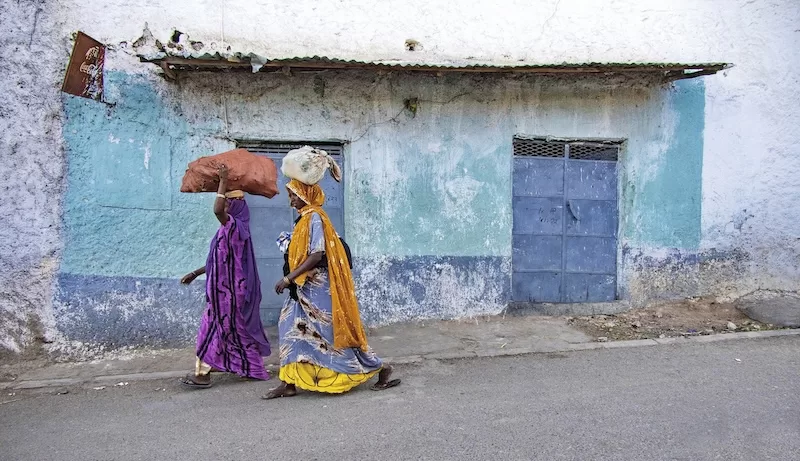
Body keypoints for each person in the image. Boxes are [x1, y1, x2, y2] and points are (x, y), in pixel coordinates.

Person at [263, 174, 400, 399]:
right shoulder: (304, 219)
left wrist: (288, 278)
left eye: (294, 196)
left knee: (331, 335)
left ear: (305, 195)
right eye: (290, 196)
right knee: (288, 329)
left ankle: (380, 368)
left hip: (317, 287)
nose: (291, 201)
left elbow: (317, 254)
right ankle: (288, 383)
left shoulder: (315, 217)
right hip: (302, 287)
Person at [180, 165, 271, 387]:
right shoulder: (226, 231)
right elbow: (218, 260)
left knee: (211, 329)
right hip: (223, 292)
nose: (226, 206)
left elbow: (217, 210)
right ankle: (253, 368)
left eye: (230, 203)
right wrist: (195, 273)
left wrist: (222, 182)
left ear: (237, 207)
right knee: (234, 331)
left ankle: (202, 375)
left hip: (228, 294)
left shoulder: (235, 227)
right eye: (227, 202)